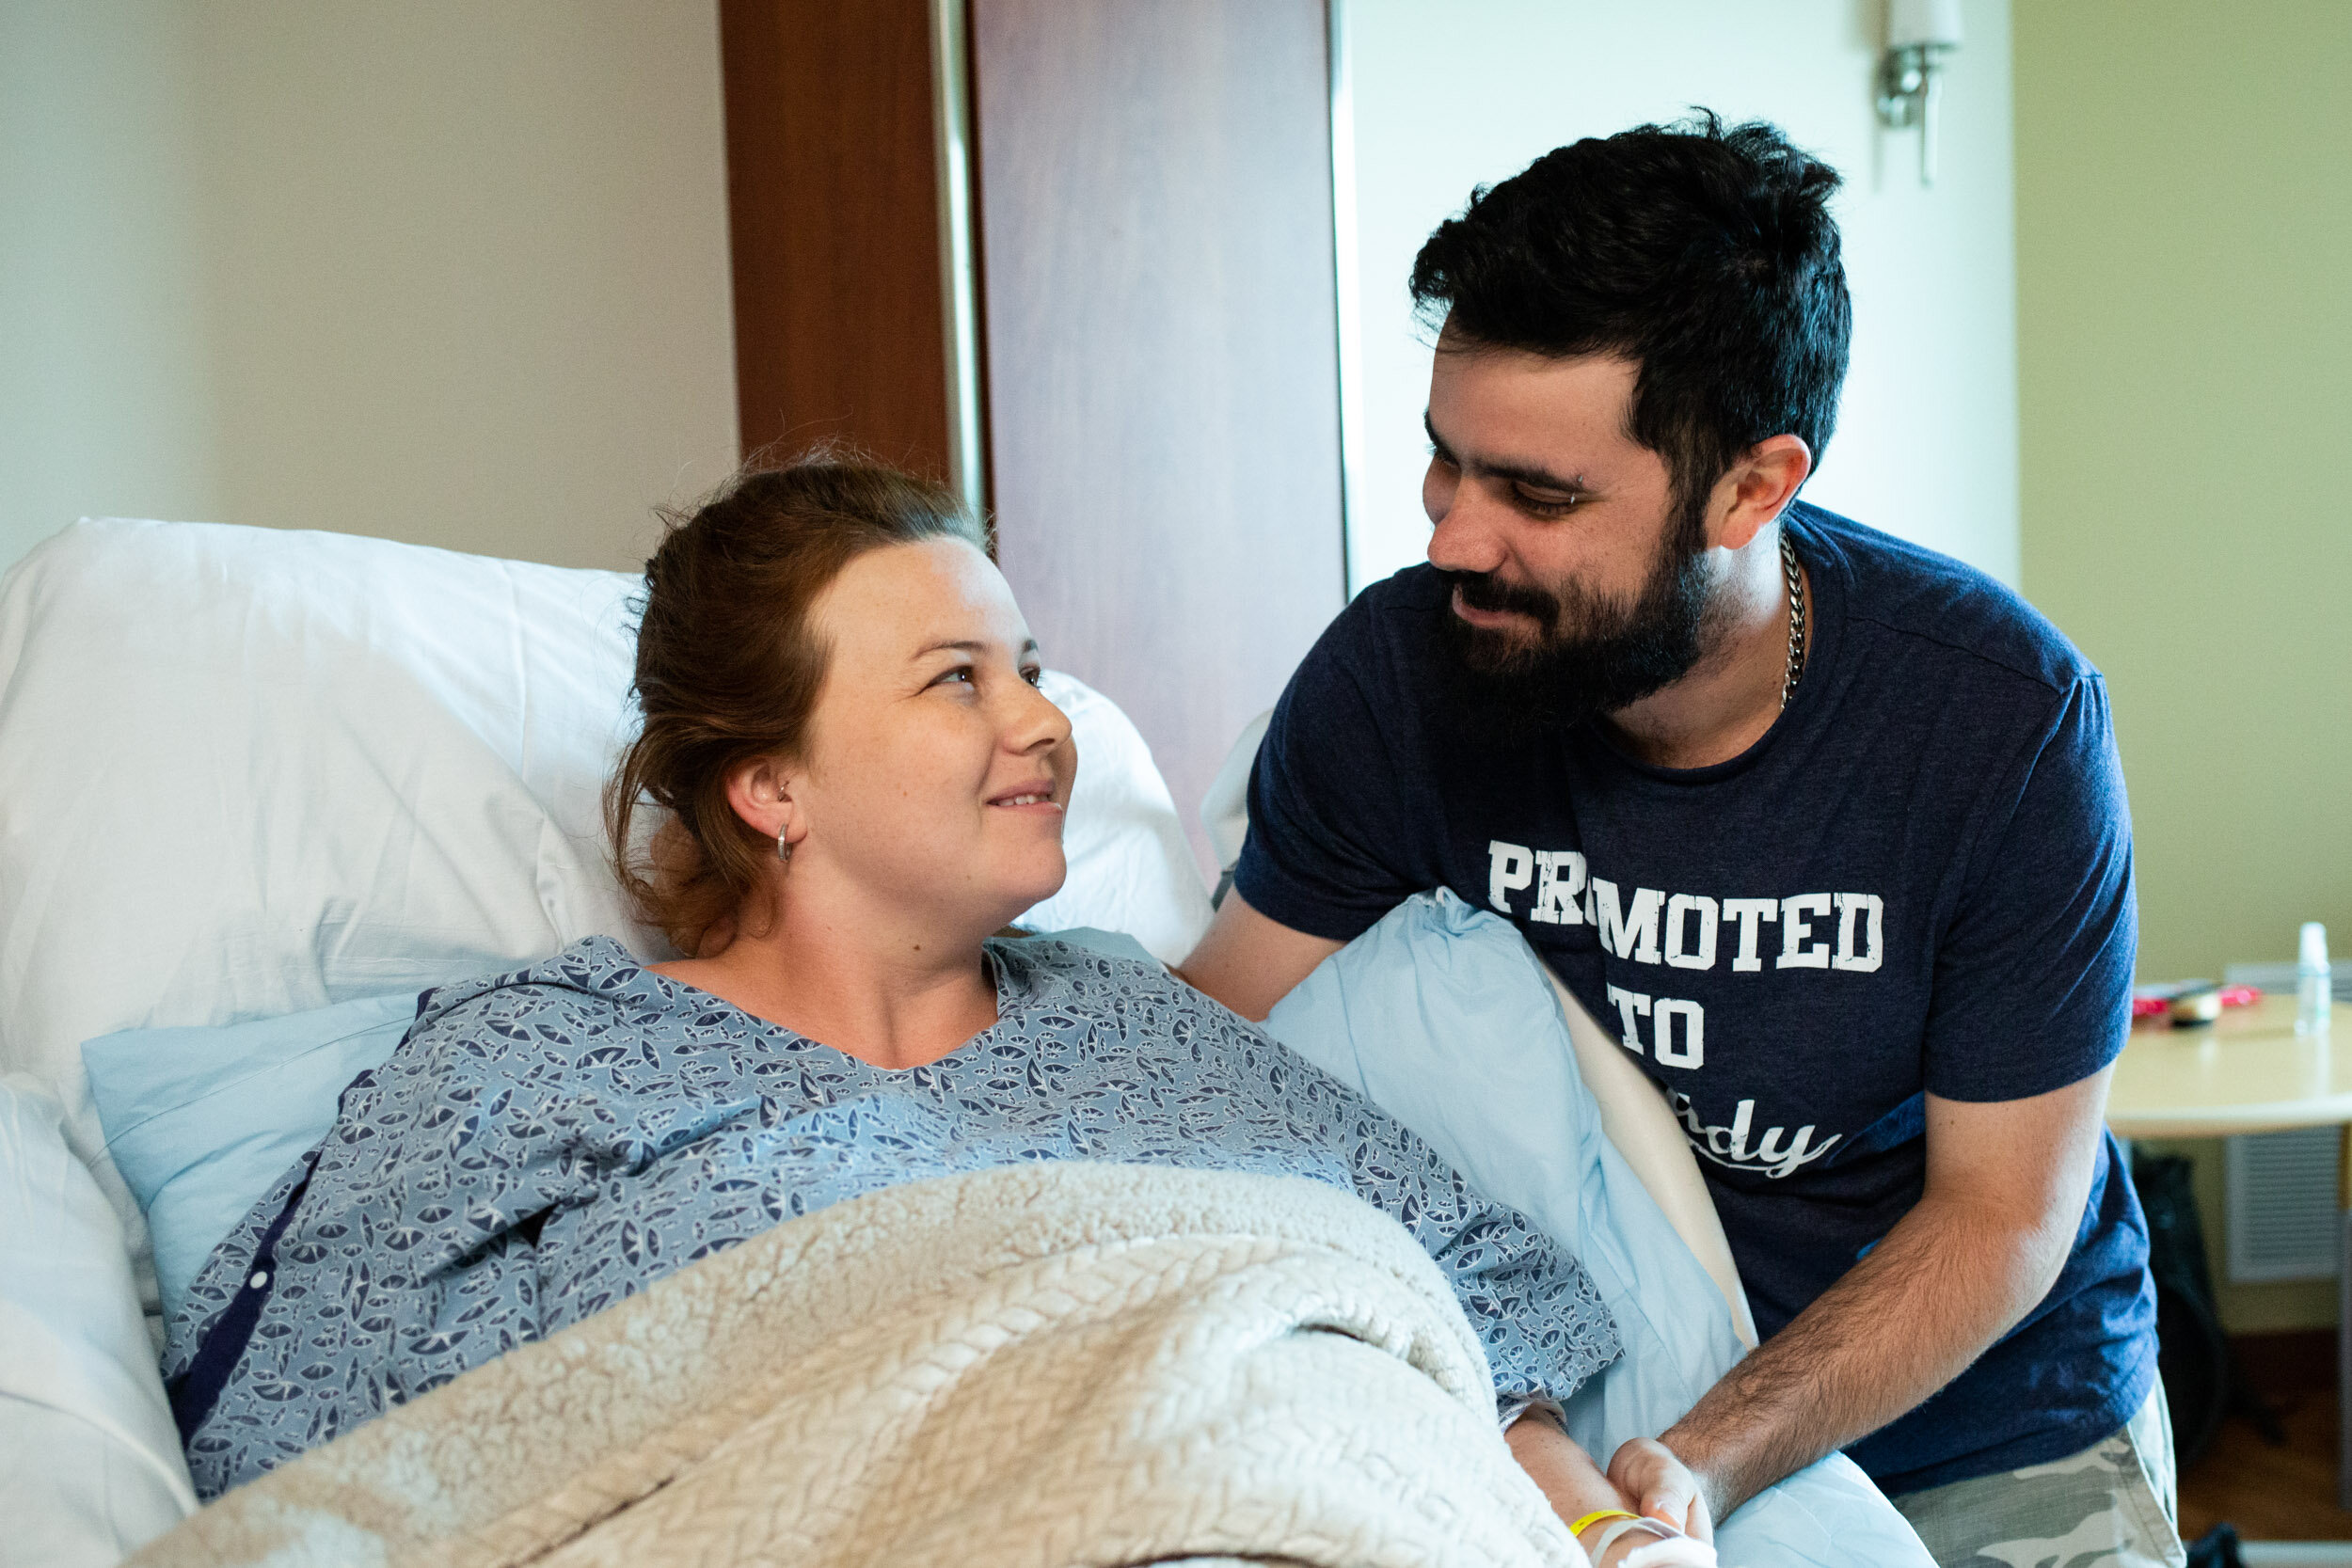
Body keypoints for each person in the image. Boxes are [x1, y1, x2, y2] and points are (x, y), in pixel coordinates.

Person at [162, 456, 1696, 1566]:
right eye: (955, 681)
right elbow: (325, 1454)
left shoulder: (1138, 1025)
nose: (1041, 720)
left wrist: (1601, 1536)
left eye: (1027, 668)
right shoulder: (534, 1060)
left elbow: (1456, 1313)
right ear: (771, 788)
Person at [1177, 117, 2172, 1568]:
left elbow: (2003, 1216)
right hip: (1592, 1404)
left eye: (1539, 494)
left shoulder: (1998, 726)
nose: (1455, 537)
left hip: (1983, 1424)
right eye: (1447, 463)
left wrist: (1696, 1460)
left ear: (1754, 487)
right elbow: (1217, 1043)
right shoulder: (1402, 676)